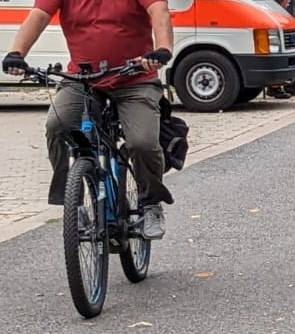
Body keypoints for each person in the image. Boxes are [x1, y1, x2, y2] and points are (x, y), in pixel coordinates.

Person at [3, 0, 174, 239]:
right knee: (57, 125)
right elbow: (38, 16)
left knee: (142, 142)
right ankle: (75, 205)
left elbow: (159, 11)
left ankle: (151, 203)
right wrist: (16, 53)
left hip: (134, 78)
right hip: (83, 78)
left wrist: (163, 49)